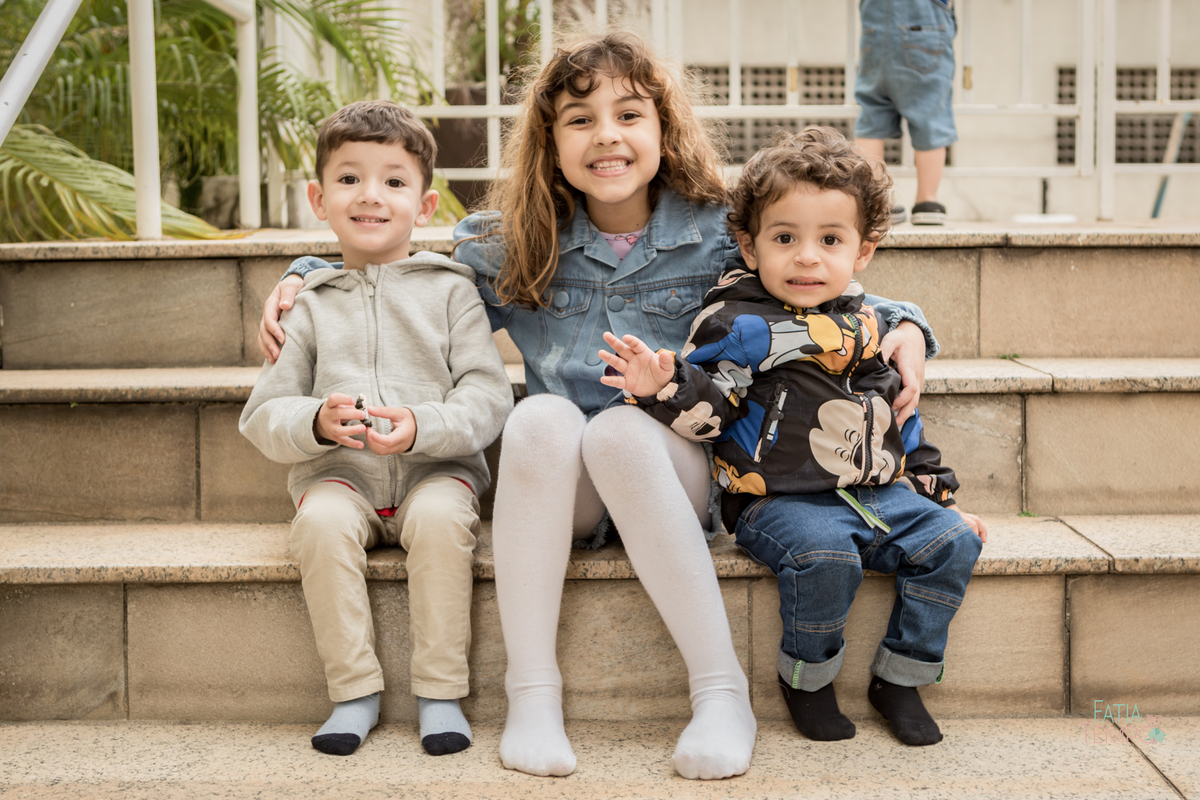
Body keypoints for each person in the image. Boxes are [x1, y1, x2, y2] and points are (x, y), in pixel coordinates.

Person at [258, 31, 936, 779]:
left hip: (675, 470)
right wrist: (308, 273)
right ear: (549, 141)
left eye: (629, 115)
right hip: (561, 490)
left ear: (662, 130)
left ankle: (720, 694)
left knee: (619, 428)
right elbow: (400, 275)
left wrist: (907, 323)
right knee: (541, 416)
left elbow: (817, 276)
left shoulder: (716, 230)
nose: (606, 136)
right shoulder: (505, 240)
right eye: (579, 119)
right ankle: (532, 696)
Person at [597, 127, 986, 748]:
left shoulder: (864, 320)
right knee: (824, 560)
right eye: (786, 238)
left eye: (830, 240)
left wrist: (938, 497)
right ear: (750, 248)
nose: (807, 257)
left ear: (863, 251)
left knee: (955, 545)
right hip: (778, 500)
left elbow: (899, 412)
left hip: (880, 493)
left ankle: (901, 677)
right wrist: (662, 386)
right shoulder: (734, 321)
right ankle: (808, 679)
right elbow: (715, 411)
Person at [240, 100, 513, 758]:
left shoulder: (451, 291)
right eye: (349, 178)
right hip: (340, 476)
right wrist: (316, 420)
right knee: (321, 524)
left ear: (424, 206)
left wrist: (424, 425)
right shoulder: (309, 305)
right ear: (318, 197)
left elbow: (487, 393)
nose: (370, 196)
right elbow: (263, 416)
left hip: (435, 470)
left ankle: (440, 692)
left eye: (394, 181)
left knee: (442, 520)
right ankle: (354, 692)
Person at [855, 0, 957, 225]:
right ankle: (927, 201)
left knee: (872, 117)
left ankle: (875, 203)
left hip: (874, 39)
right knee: (931, 115)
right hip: (923, 36)